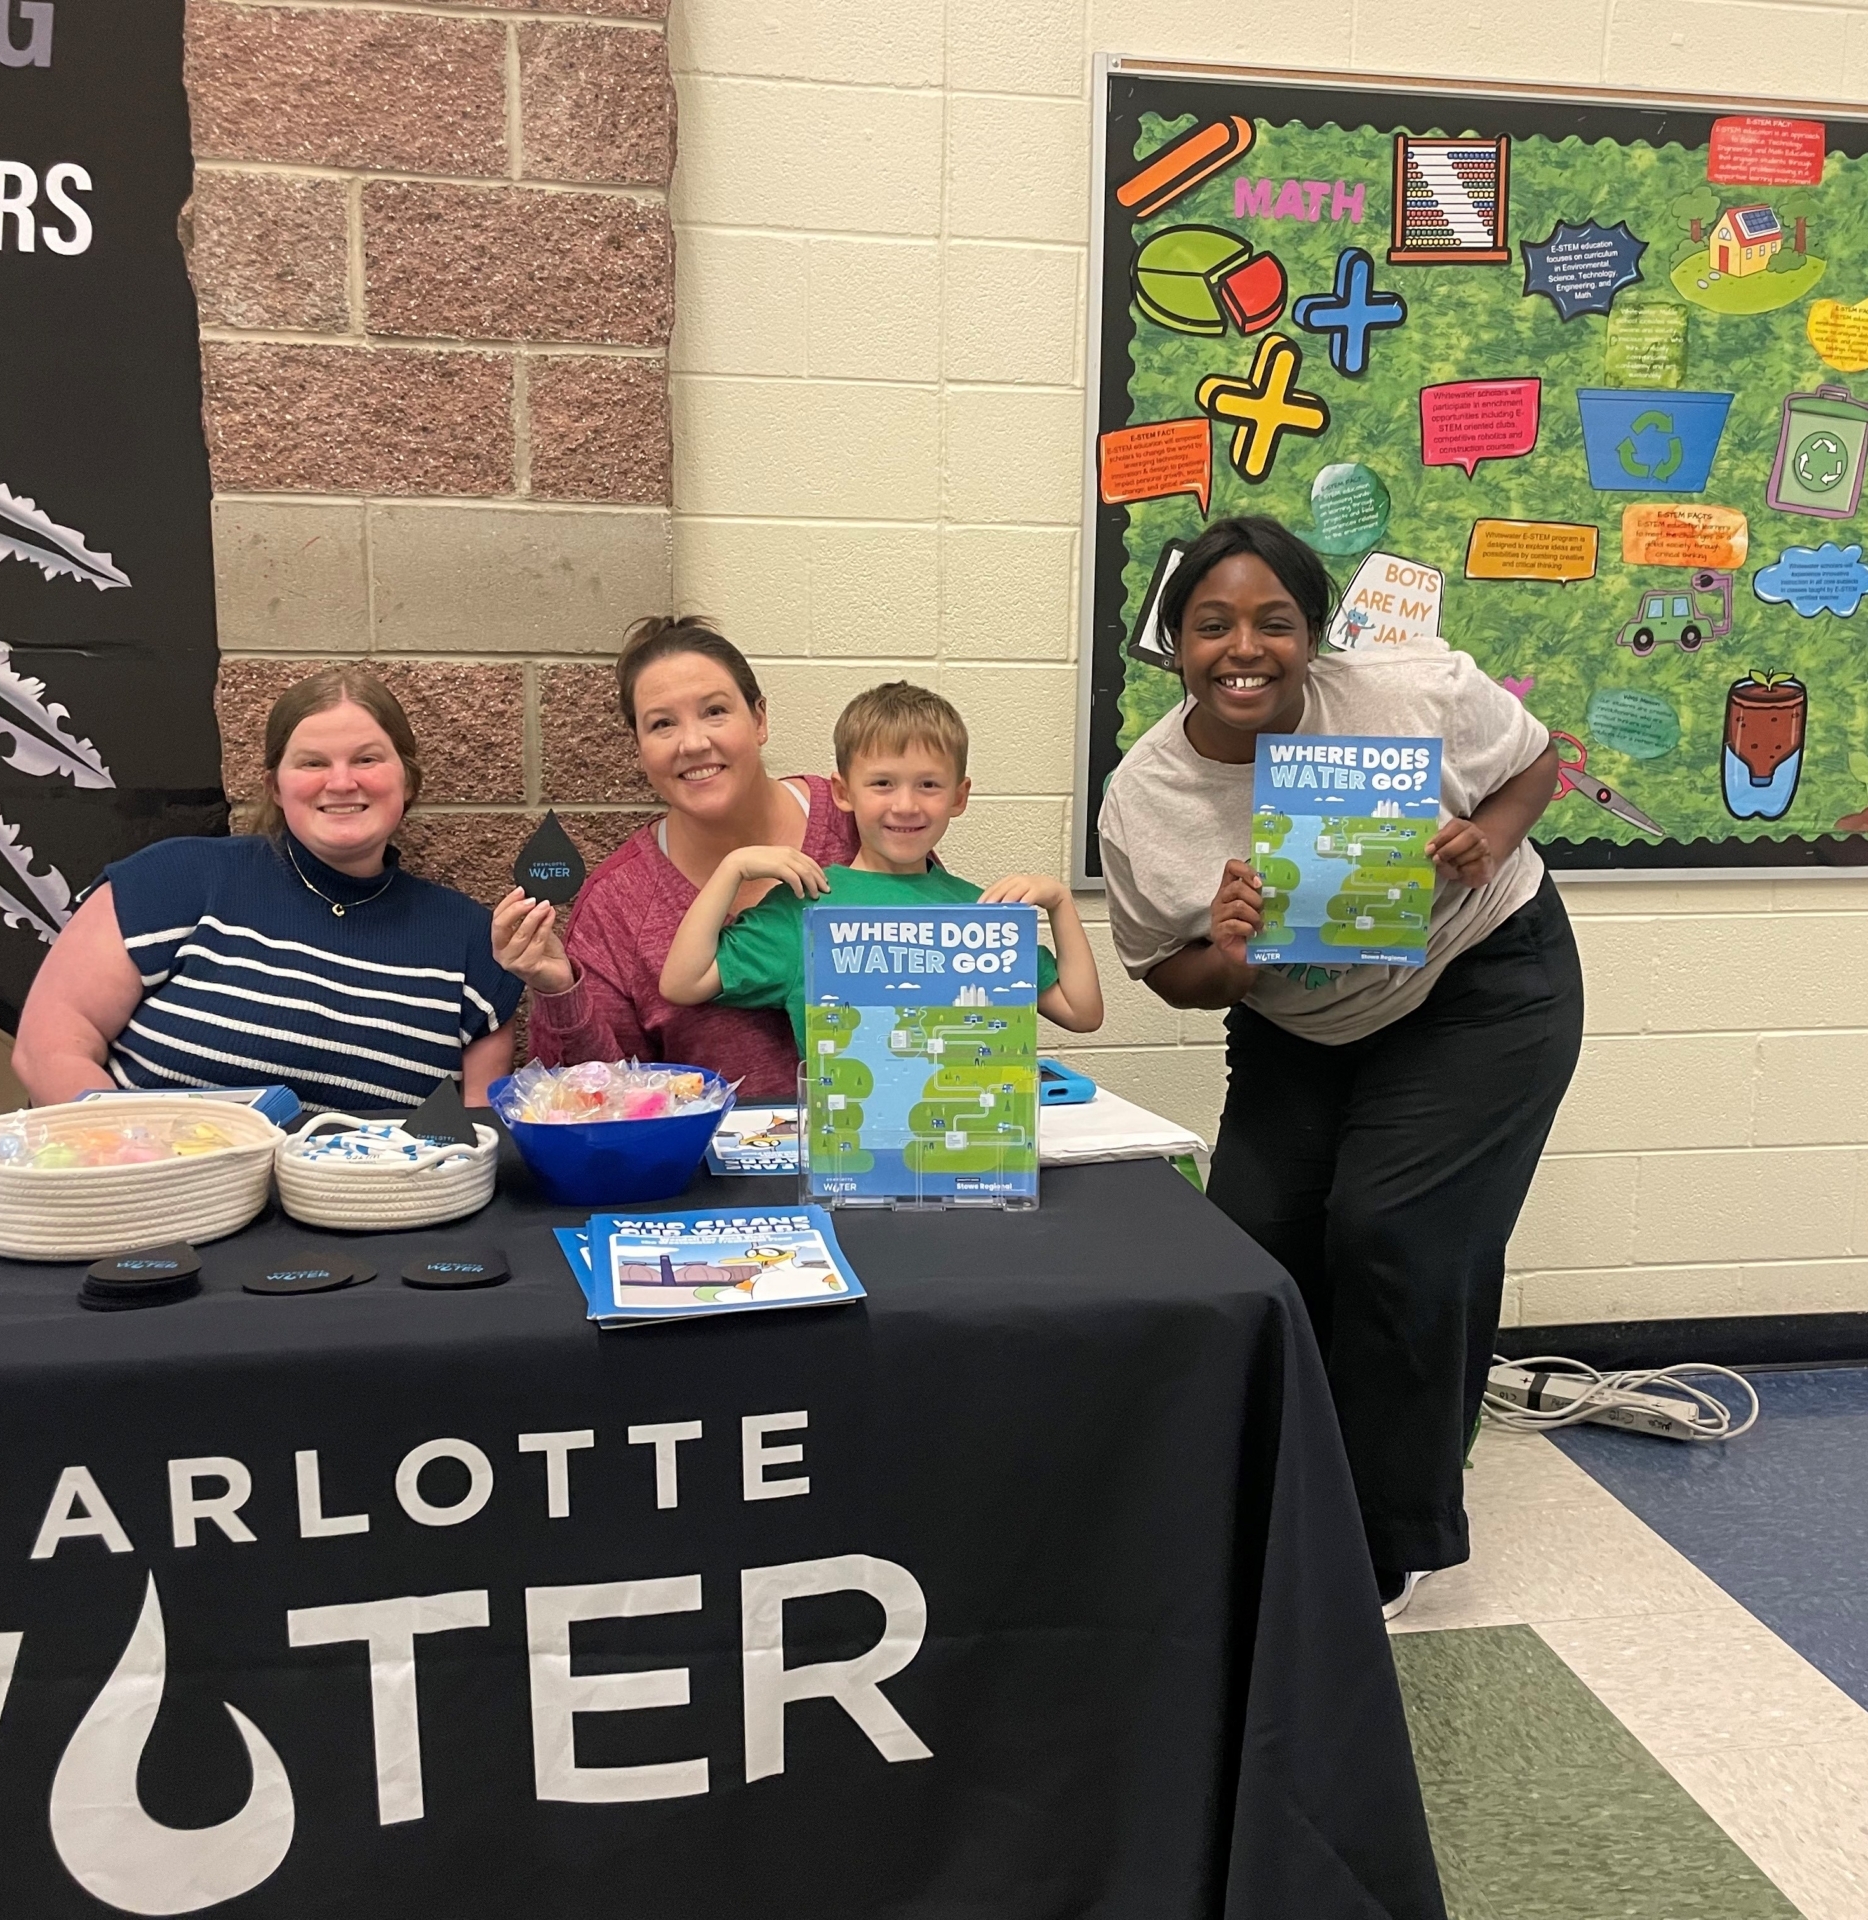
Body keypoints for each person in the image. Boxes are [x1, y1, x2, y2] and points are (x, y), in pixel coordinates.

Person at [1097, 516, 1581, 1620]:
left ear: (1317, 635)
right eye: (1212, 625)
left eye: (1276, 622)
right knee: (1253, 1241)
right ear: (1175, 644)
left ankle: (1384, 1536)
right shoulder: (1147, 794)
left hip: (1477, 987)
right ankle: (1274, 1491)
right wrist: (1222, 955)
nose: (1244, 648)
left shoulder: (1410, 693)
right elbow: (1164, 971)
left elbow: (1535, 760)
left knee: (1394, 1232)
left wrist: (1491, 837)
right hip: (1300, 1019)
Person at [13, 666, 522, 1112]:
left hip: (375, 1213)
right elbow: (49, 1048)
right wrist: (128, 1155)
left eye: (367, 760)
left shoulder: (471, 943)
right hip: (150, 1199)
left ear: (407, 782)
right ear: (275, 786)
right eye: (312, 763)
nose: (341, 782)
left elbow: (478, 1134)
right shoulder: (173, 879)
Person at [490, 616, 862, 1100]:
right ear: (640, 749)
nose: (692, 743)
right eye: (663, 724)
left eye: (714, 711)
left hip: (882, 1156)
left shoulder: (855, 819)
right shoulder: (617, 905)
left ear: (760, 719)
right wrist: (559, 989)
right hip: (702, 1170)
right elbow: (590, 1103)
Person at [659, 681, 1103, 1043]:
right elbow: (683, 982)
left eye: (928, 784)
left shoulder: (980, 913)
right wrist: (732, 869)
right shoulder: (807, 909)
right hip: (847, 1145)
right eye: (883, 783)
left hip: (966, 1139)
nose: (906, 805)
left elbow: (1081, 1013)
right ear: (844, 792)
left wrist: (1060, 903)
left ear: (959, 797)